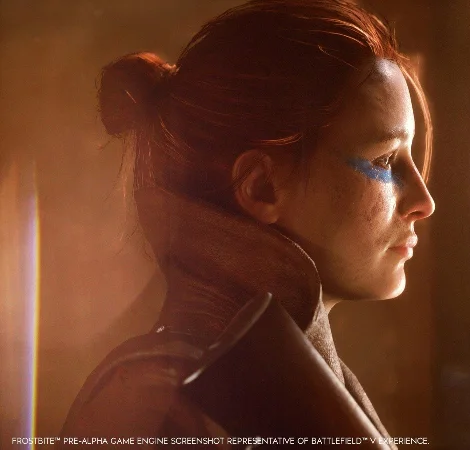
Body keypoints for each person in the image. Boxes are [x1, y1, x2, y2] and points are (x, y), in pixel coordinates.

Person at [58, 0, 435, 448]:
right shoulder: (162, 406)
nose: (423, 202)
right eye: (385, 160)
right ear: (262, 187)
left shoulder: (274, 384)